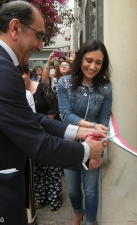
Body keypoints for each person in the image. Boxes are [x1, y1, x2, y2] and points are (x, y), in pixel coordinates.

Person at [0, 2, 107, 225]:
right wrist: (88, 150)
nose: (41, 46)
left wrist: (79, 131)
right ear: (15, 28)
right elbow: (37, 144)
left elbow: (28, 119)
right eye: (39, 35)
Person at [57, 39, 112, 225]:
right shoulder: (64, 83)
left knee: (91, 190)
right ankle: (77, 213)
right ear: (81, 59)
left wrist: (99, 151)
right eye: (89, 60)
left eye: (98, 62)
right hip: (70, 143)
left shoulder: (105, 87)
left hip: (95, 144)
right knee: (72, 189)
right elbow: (65, 115)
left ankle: (90, 222)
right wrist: (92, 126)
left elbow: (104, 122)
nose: (93, 66)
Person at [21, 64, 62, 210]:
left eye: (22, 74)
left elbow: (54, 107)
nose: (20, 78)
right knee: (37, 168)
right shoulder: (17, 92)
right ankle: (39, 197)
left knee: (51, 167)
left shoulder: (42, 87)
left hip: (49, 130)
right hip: (34, 135)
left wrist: (43, 126)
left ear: (28, 73)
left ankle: (54, 198)